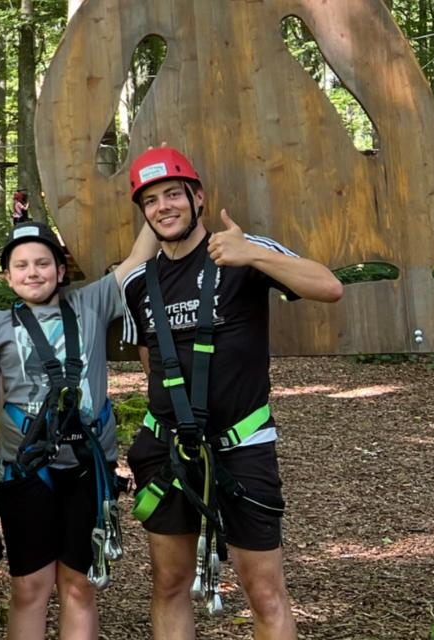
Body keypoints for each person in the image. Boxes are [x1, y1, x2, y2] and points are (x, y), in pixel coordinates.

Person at [118, 146, 342, 640]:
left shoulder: (241, 252)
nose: (163, 207)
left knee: (264, 591)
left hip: (242, 447)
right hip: (169, 450)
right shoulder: (137, 282)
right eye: (151, 201)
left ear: (197, 197)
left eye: (173, 194)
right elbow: (149, 358)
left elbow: (329, 287)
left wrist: (254, 254)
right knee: (169, 583)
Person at [0, 221, 156, 640]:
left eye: (43, 263)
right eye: (20, 265)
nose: (33, 272)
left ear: (61, 270)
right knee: (28, 587)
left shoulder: (90, 302)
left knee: (80, 585)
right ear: (7, 277)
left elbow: (139, 258)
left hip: (87, 465)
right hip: (26, 471)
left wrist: (156, 200)